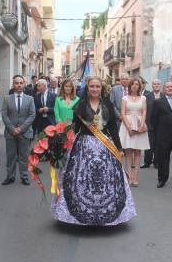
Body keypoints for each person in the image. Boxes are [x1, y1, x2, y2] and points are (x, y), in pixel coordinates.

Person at [51, 76, 136, 225]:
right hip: (84, 145)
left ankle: (105, 214)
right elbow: (75, 128)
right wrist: (63, 142)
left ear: (101, 88)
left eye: (97, 86)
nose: (95, 89)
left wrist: (119, 147)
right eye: (92, 86)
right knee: (80, 179)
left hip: (105, 146)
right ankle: (82, 215)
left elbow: (113, 129)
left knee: (107, 180)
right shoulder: (80, 105)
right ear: (87, 88)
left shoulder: (107, 104)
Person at [1, 75, 36, 186]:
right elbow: (4, 114)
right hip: (11, 133)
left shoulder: (30, 99)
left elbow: (32, 115)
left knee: (24, 156)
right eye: (17, 83)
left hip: (25, 132)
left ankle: (24, 176)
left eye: (21, 83)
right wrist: (12, 128)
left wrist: (21, 128)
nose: (19, 85)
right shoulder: (7, 98)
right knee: (11, 156)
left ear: (24, 84)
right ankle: (10, 177)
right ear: (13, 84)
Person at [152, 82, 172, 189]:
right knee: (163, 159)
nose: (170, 88)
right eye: (168, 87)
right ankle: (162, 179)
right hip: (163, 136)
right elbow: (154, 119)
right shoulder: (158, 102)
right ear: (163, 89)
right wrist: (159, 132)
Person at [119, 79, 149, 186]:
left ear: (139, 86)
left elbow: (144, 111)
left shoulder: (143, 98)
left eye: (137, 84)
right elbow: (122, 113)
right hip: (127, 125)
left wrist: (141, 125)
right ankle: (129, 177)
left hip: (139, 123)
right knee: (128, 153)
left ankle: (136, 178)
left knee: (137, 153)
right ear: (130, 86)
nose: (135, 86)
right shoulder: (124, 98)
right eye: (133, 84)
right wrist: (129, 128)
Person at [141, 79, 162, 169]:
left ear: (160, 85)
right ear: (152, 86)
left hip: (161, 125)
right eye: (154, 84)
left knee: (158, 144)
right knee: (149, 143)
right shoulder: (147, 96)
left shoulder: (164, 96)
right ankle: (147, 162)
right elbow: (144, 111)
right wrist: (144, 123)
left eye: (158, 84)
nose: (156, 85)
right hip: (149, 123)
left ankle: (156, 162)